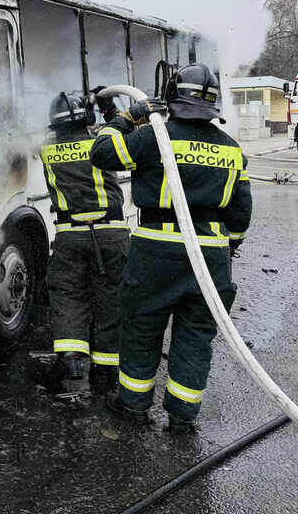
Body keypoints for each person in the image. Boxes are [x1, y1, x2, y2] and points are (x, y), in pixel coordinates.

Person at [90, 64, 251, 433]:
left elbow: (103, 152)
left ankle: (132, 405)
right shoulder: (232, 150)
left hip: (156, 249)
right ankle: (182, 416)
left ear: (172, 97)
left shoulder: (154, 137)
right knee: (196, 336)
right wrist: (229, 248)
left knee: (142, 326)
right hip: (210, 254)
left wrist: (129, 117)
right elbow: (241, 214)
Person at [38, 92, 130, 395]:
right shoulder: (99, 143)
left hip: (70, 234)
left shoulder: (47, 150)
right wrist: (109, 109)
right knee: (110, 299)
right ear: (85, 119)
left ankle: (74, 359)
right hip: (111, 233)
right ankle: (106, 371)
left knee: (68, 295)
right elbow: (122, 136)